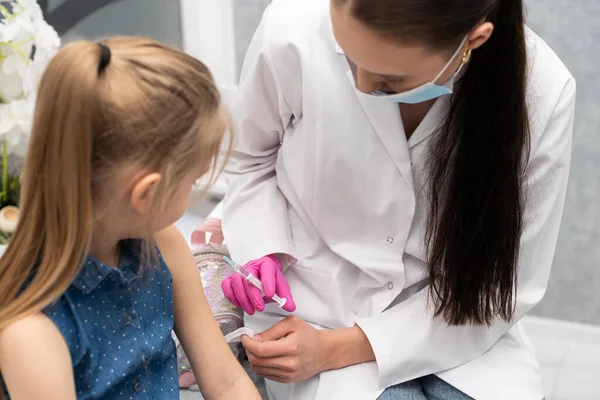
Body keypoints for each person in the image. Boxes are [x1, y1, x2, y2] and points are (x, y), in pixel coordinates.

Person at [220, 0, 576, 399]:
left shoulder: (543, 92)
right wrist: (262, 248)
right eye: (350, 59)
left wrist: (332, 350)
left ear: (471, 42)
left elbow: (502, 288)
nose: (361, 88)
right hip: (317, 307)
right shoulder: (293, 27)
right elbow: (248, 160)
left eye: (391, 80)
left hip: (454, 320)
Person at [0, 37, 261, 400]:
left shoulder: (164, 246)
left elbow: (227, 383)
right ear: (146, 194)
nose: (194, 189)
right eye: (192, 181)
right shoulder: (33, 333)